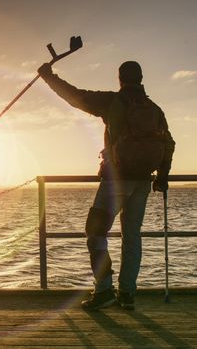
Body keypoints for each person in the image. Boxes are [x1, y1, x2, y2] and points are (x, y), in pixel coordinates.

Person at [38, 60, 175, 311]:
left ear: (120, 79)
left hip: (116, 181)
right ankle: (127, 293)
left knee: (95, 231)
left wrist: (48, 76)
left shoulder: (113, 101)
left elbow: (75, 97)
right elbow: (169, 143)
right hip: (144, 181)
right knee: (132, 236)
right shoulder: (155, 109)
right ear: (141, 78)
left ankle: (103, 290)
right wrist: (163, 176)